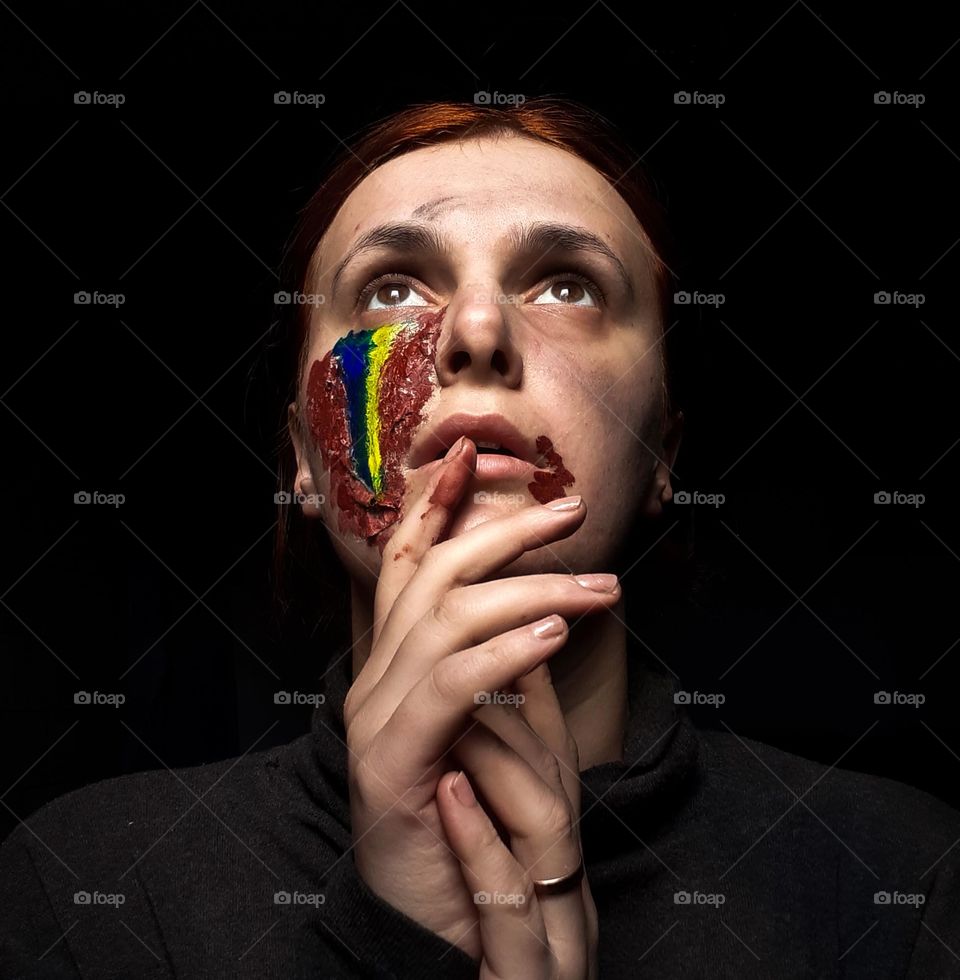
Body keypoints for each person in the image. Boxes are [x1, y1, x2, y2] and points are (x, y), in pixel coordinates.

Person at [2, 98, 958, 979]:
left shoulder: (897, 882)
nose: (475, 328)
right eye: (389, 290)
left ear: (663, 448)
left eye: (568, 287)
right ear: (302, 453)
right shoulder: (90, 889)